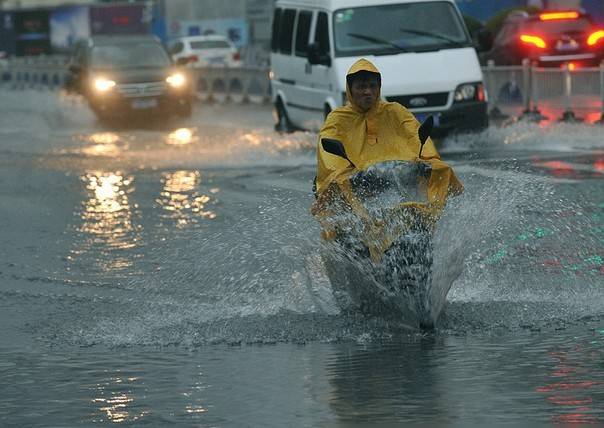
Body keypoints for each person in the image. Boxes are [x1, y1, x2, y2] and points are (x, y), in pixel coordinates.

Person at [311, 58, 463, 244]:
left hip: (397, 186)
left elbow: (414, 133)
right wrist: (343, 174)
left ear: (379, 87)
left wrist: (427, 160)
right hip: (358, 189)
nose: (367, 91)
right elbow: (328, 153)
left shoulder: (396, 111)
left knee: (422, 213)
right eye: (361, 86)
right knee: (346, 233)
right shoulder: (337, 119)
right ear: (350, 89)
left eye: (372, 86)